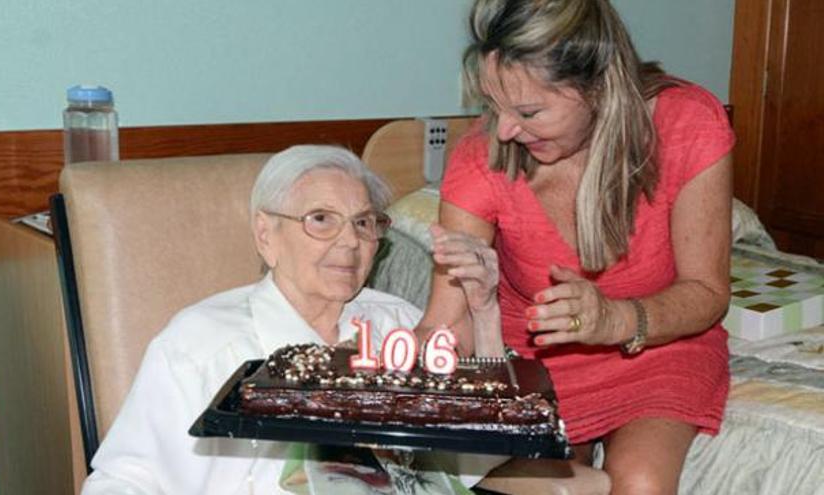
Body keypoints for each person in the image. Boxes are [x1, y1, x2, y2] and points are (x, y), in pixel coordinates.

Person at [418, 1, 735, 493]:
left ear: (598, 86)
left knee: (642, 482)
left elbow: (708, 291)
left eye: (528, 112)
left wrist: (616, 320)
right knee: (558, 482)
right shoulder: (481, 159)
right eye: (494, 107)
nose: (504, 130)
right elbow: (447, 320)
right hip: (533, 360)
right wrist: (402, 362)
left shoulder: (688, 124)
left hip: (659, 345)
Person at [82, 145, 502, 494]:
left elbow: (478, 453)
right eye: (321, 219)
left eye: (362, 223)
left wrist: (484, 312)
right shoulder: (201, 344)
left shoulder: (397, 324)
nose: (350, 241)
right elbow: (122, 482)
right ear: (266, 234)